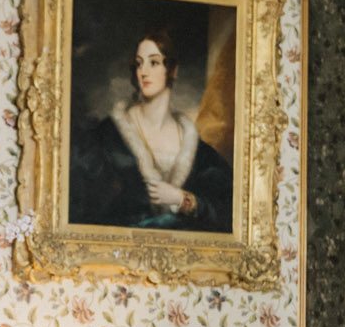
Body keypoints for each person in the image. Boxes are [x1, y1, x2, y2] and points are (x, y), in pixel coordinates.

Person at [67, 29, 233, 233]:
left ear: (172, 70)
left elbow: (229, 211)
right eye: (139, 63)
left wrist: (183, 200)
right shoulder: (107, 135)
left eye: (154, 62)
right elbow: (83, 209)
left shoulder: (198, 150)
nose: (143, 71)